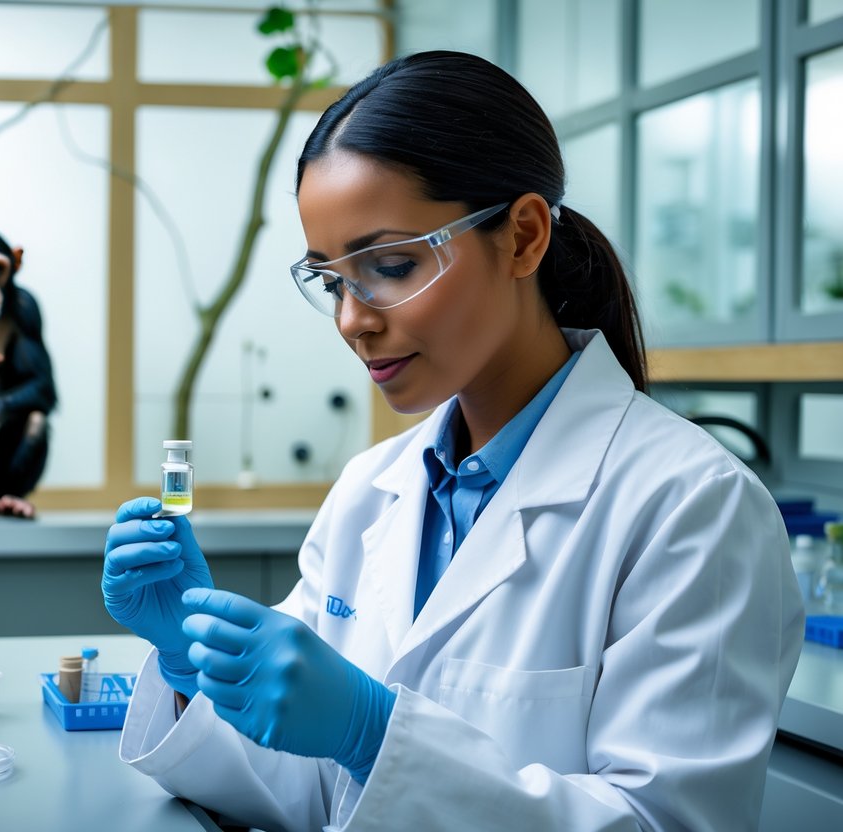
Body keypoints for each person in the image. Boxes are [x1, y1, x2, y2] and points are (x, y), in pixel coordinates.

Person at [101, 51, 803, 831]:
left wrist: (374, 735)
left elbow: (660, 823)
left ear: (524, 238)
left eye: (391, 265)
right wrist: (191, 667)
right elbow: (307, 790)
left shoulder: (691, 509)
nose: (352, 320)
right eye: (332, 280)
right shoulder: (372, 489)